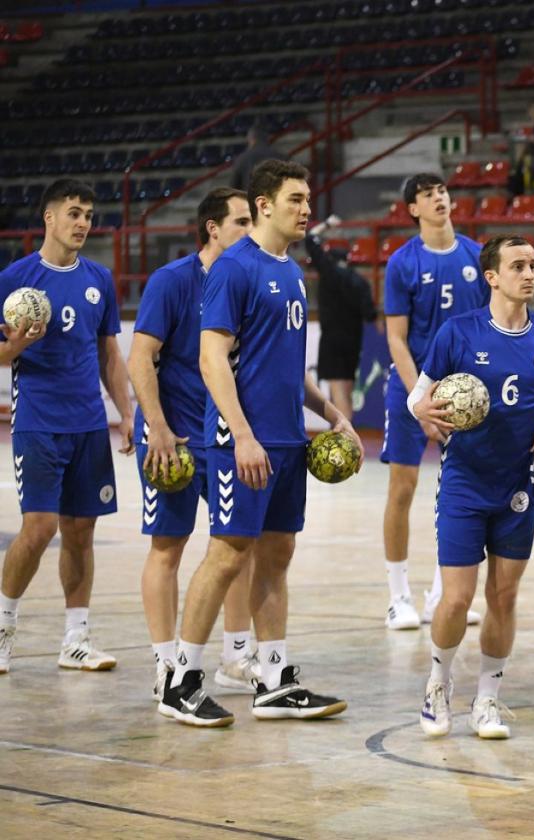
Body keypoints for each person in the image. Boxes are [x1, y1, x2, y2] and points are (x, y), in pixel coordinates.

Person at [158, 159, 361, 726]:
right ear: (264, 205)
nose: (306, 209)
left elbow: (287, 367)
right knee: (227, 554)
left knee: (277, 557)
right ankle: (181, 682)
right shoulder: (235, 267)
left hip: (287, 441)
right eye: (295, 199)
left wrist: (330, 412)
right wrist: (242, 435)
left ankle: (274, 681)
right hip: (238, 442)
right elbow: (211, 356)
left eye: (308, 199)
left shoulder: (291, 271)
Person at [410, 235, 534, 739]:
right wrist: (428, 413)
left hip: (518, 487)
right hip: (464, 481)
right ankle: (439, 682)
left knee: (504, 595)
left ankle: (488, 698)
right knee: (457, 599)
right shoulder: (458, 333)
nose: (530, 274)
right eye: (518, 266)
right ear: (492, 277)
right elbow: (419, 397)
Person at [128, 186, 260, 701]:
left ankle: (235, 654)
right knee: (168, 546)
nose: (250, 232)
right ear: (213, 228)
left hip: (222, 435)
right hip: (174, 435)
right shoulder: (173, 281)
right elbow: (141, 357)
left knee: (238, 544)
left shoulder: (247, 281)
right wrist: (156, 427)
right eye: (241, 222)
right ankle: (166, 664)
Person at [0, 178, 134, 675]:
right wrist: (16, 346)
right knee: (39, 529)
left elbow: (109, 354)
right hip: (38, 421)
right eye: (74, 213)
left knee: (81, 533)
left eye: (89, 215)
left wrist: (126, 413)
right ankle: (3, 625)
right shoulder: (14, 279)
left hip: (88, 426)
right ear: (49, 218)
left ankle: (76, 639)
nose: (83, 223)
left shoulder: (99, 277)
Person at [381, 173, 488, 631]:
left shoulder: (476, 255)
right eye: (427, 195)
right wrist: (418, 398)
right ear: (413, 209)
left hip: (462, 392)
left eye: (442, 191)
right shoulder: (402, 263)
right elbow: (396, 338)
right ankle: (397, 596)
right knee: (403, 488)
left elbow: (487, 323)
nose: (439, 199)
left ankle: (443, 593)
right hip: (412, 388)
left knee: (459, 491)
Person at [305, 214, 378, 420]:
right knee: (346, 389)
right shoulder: (360, 282)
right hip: (353, 341)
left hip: (332, 340)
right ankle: (347, 433)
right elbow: (370, 314)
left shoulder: (329, 272)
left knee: (338, 393)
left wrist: (326, 225)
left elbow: (310, 239)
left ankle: (345, 438)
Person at [229, 122, 283, 192]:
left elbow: (233, 188)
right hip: (275, 199)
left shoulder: (242, 158)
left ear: (252, 139)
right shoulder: (282, 157)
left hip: (251, 199)